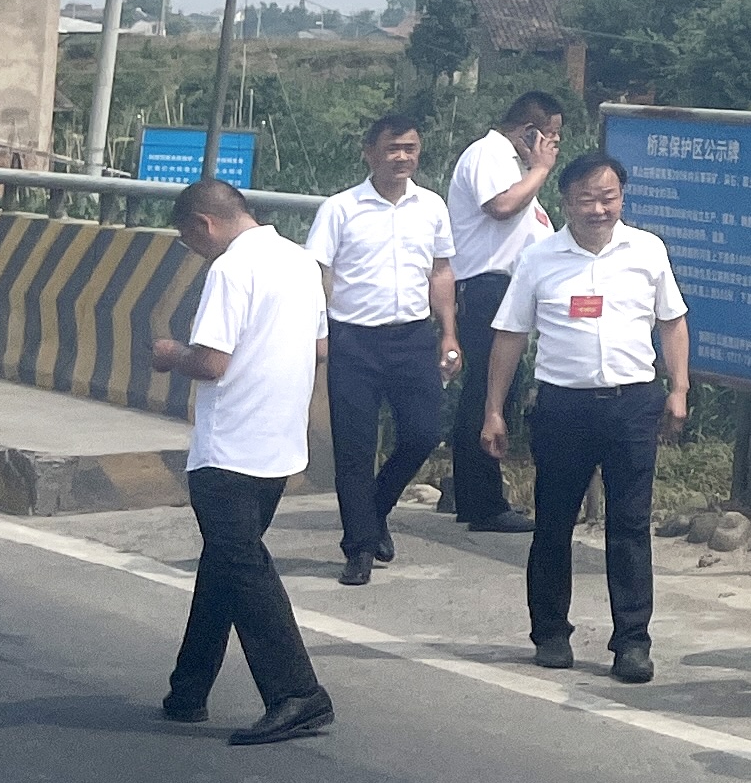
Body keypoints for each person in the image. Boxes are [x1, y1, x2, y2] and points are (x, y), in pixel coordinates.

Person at [480, 151, 688, 681]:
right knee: (553, 523)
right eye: (586, 198)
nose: (599, 208)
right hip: (562, 407)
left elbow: (672, 322)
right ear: (565, 201)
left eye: (609, 196)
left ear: (623, 196)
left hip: (633, 403)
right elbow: (510, 336)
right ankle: (550, 631)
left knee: (630, 525)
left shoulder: (647, 250)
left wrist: (679, 388)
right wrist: (493, 411)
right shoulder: (539, 258)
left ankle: (632, 642)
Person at [152, 178, 334, 745]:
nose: (193, 249)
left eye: (189, 239)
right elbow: (321, 346)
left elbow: (210, 362)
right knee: (225, 565)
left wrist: (168, 354)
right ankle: (189, 689)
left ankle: (297, 692)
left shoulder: (230, 269)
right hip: (278, 444)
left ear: (203, 225)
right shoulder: (300, 262)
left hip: (229, 447)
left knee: (244, 568)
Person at [311, 113, 459, 586]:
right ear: (369, 152)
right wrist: (320, 335)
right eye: (393, 148)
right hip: (354, 339)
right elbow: (320, 275)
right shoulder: (340, 209)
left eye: (410, 148)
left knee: (422, 435)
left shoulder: (431, 206)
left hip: (413, 336)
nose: (402, 157)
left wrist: (449, 332)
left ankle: (373, 512)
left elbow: (440, 272)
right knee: (354, 447)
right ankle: (359, 548)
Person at [442, 91, 565, 535]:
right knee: (488, 390)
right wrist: (541, 170)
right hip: (487, 286)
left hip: (507, 287)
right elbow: (501, 207)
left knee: (491, 389)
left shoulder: (512, 165)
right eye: (551, 135)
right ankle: (483, 502)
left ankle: (466, 489)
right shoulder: (489, 153)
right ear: (530, 132)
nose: (554, 145)